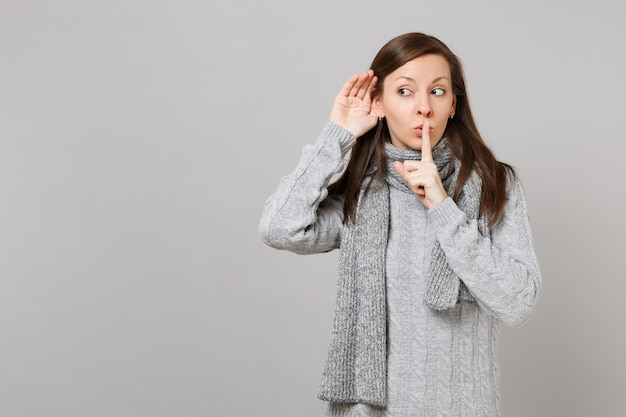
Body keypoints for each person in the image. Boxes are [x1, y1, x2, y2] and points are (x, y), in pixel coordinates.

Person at [259, 32, 541, 417]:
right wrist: (337, 135)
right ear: (379, 103)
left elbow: (517, 302)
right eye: (405, 92)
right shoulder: (362, 193)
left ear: (453, 104)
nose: (423, 107)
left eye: (437, 92)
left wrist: (442, 207)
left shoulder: (494, 183)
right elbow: (279, 227)